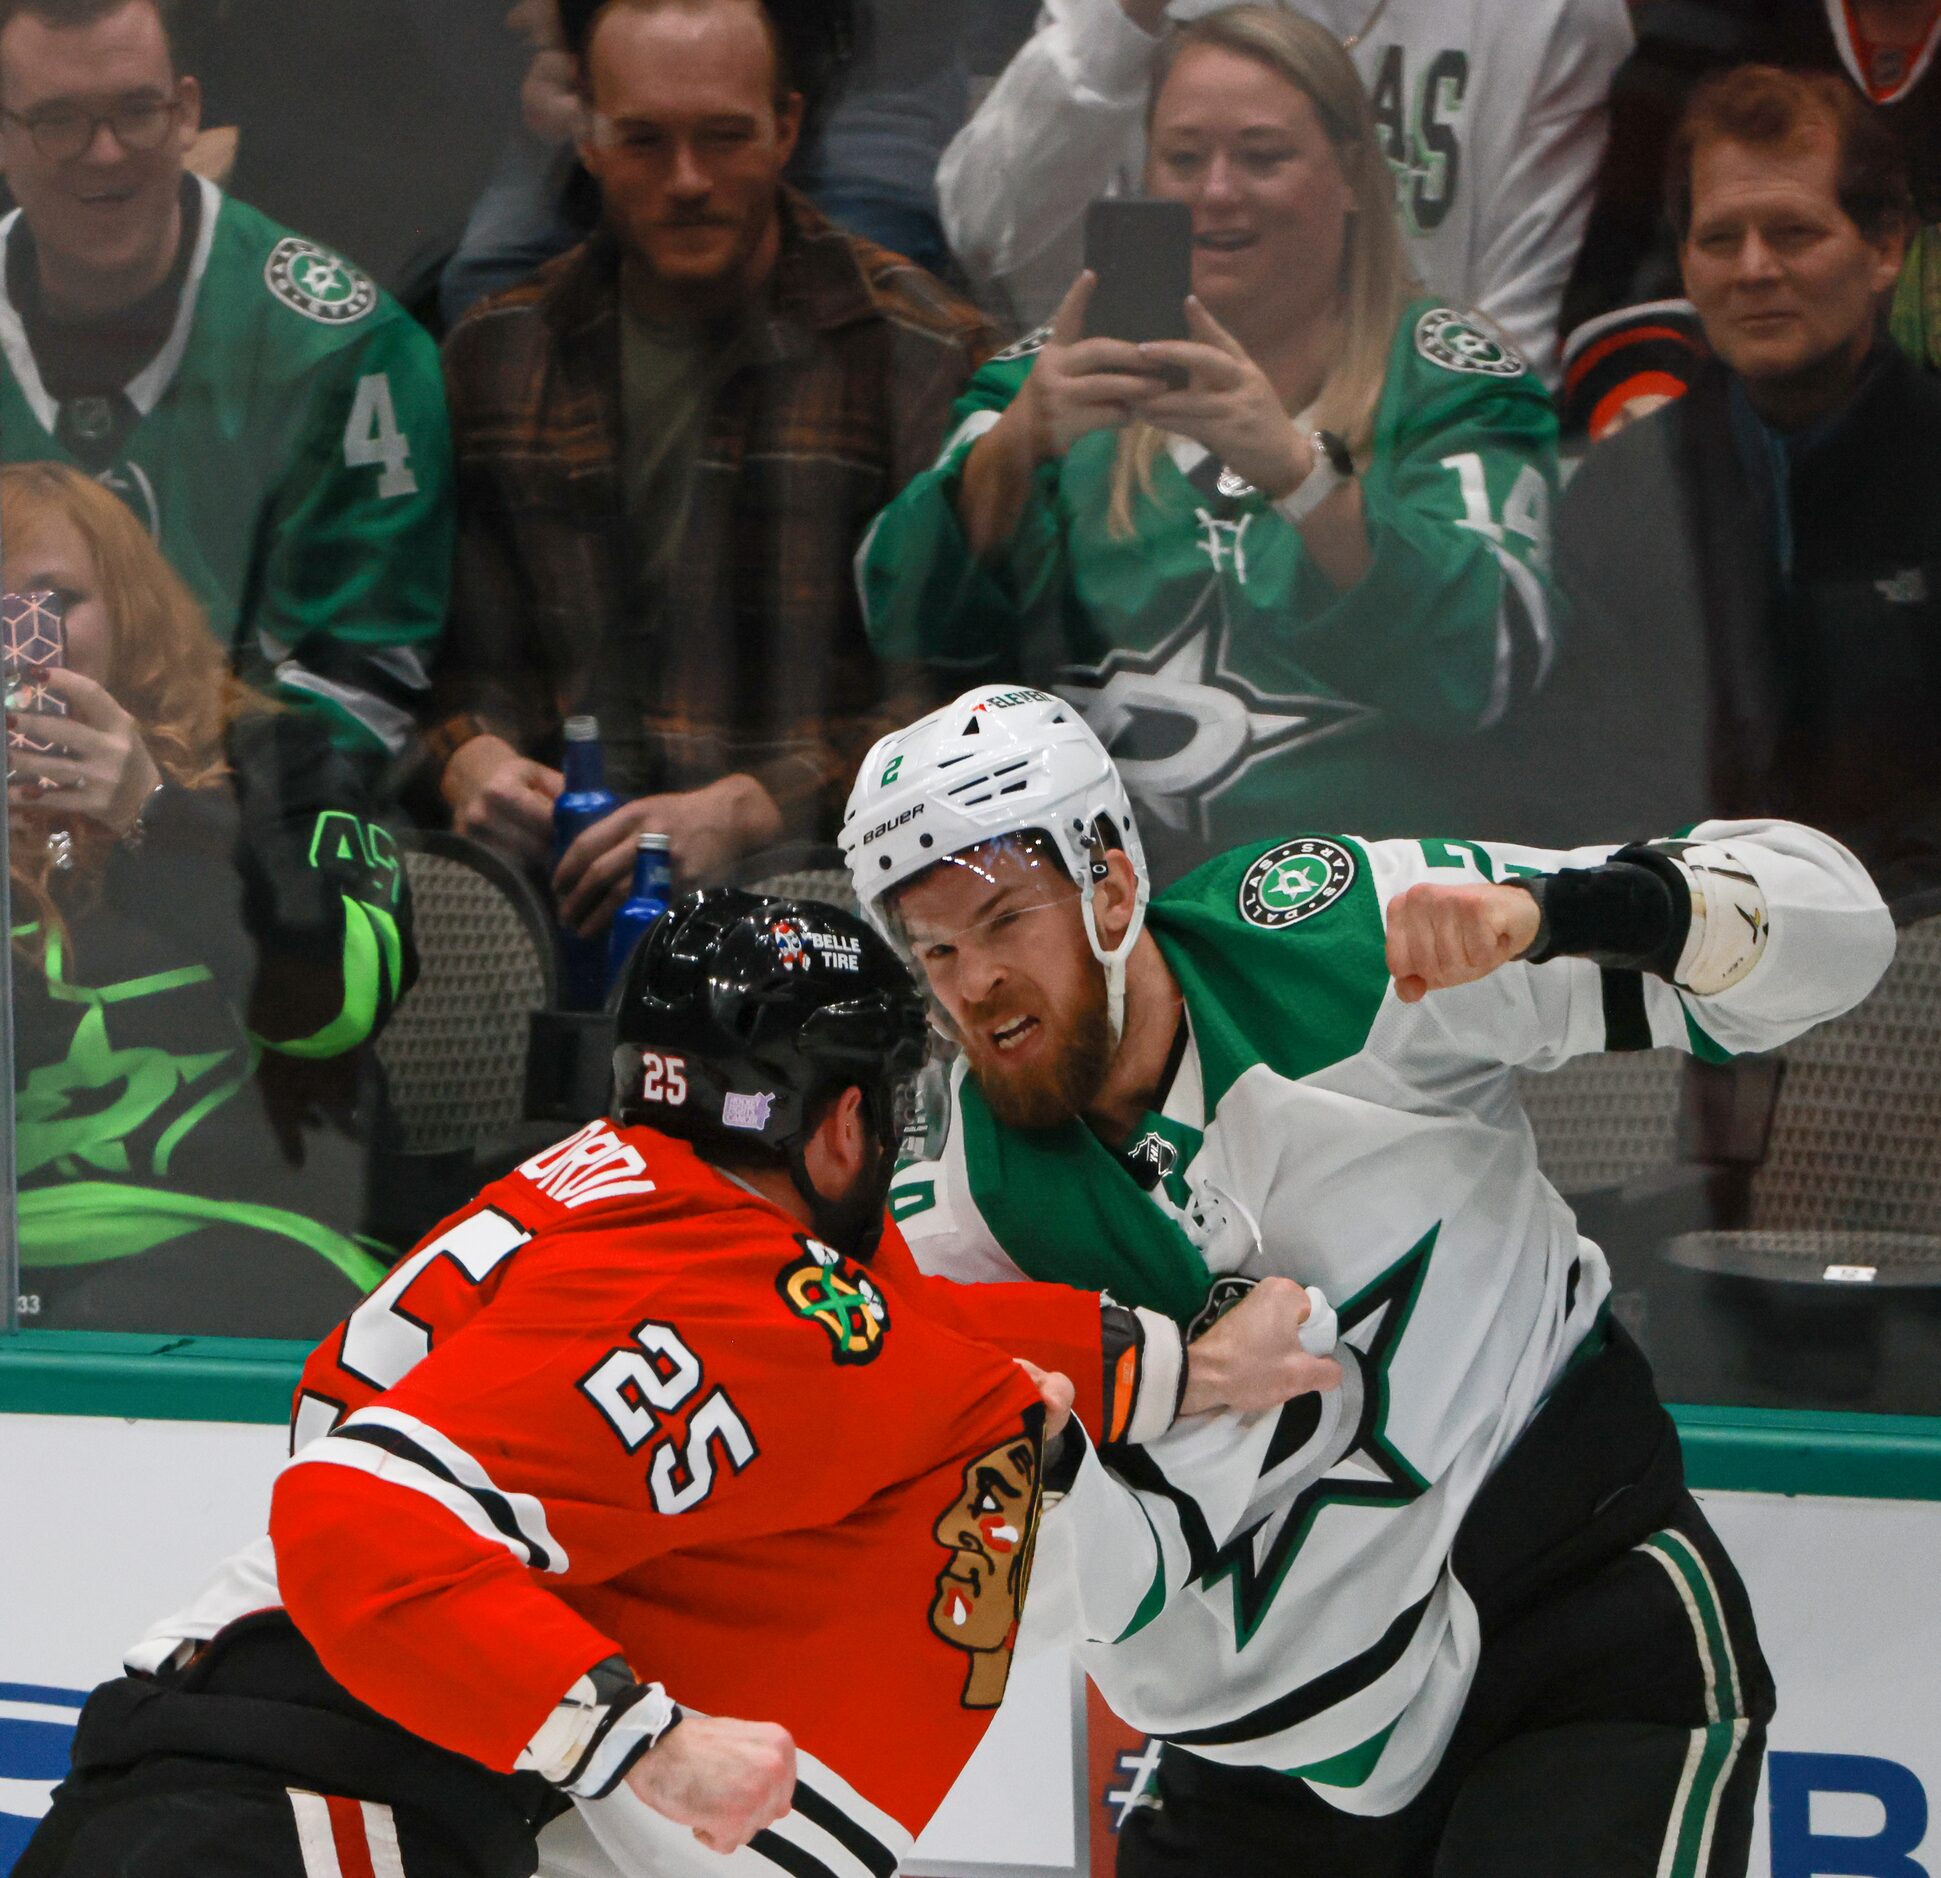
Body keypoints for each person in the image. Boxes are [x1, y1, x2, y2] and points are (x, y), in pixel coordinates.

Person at [17, 886, 1328, 1878]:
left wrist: (1177, 1365)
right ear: (839, 1121)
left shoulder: (622, 1187)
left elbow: (905, 1331)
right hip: (301, 1803)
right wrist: (643, 1740)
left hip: (228, 1760)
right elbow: (354, 1519)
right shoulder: (726, 1292)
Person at [839, 683, 1896, 1877]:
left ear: (1113, 887)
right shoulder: (959, 1197)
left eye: (1002, 922)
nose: (970, 984)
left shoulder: (1338, 938)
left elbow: (1838, 930)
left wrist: (1562, 914)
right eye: (933, 949)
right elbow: (920, 1501)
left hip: (1580, 1646)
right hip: (1268, 1746)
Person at [859, 7, 1560, 884]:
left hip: (1373, 925)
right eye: (1184, 159)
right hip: (1087, 918)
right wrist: (1011, 453)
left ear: (1349, 175)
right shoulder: (1050, 379)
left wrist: (1304, 479)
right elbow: (898, 627)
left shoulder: (1453, 378)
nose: (1216, 191)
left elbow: (1490, 665)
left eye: (1261, 157)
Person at [432, 0, 998, 942]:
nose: (688, 180)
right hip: (553, 916)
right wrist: (464, 758)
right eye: (646, 141)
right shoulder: (497, 359)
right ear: (587, 135)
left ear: (786, 126)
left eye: (724, 137)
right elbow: (439, 663)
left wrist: (758, 807)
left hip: (828, 916)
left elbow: (969, 707)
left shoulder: (922, 359)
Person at [2, 461, 417, 1338]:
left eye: (54, 603)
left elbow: (335, 1009)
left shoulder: (276, 761)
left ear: (130, 608)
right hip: (22, 1245)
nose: (25, 643)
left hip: (247, 1233)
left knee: (103, 1332)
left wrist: (153, 815)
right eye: (0, 611)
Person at [0, 0, 453, 770]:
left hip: (237, 859)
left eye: (137, 112)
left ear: (187, 115)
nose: (104, 154)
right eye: (57, 120)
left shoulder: (345, 354)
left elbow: (360, 698)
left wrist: (164, 801)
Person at [1543, 66, 1941, 897]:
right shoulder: (1619, 492)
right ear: (1684, 264)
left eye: (1792, 233)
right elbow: (1576, 779)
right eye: (1720, 239)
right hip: (1674, 941)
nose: (1753, 269)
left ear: (1885, 248)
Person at [935, 0, 1632, 383]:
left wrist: (1320, 488)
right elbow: (986, 232)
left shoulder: (1549, 16)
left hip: (1401, 469)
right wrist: (1126, 15)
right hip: (1151, 439)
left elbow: (1506, 350)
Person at [1560, 0, 1941, 440]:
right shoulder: (1701, 37)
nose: (1755, 267)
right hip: (1730, 443)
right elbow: (1616, 275)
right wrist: (1651, 404)